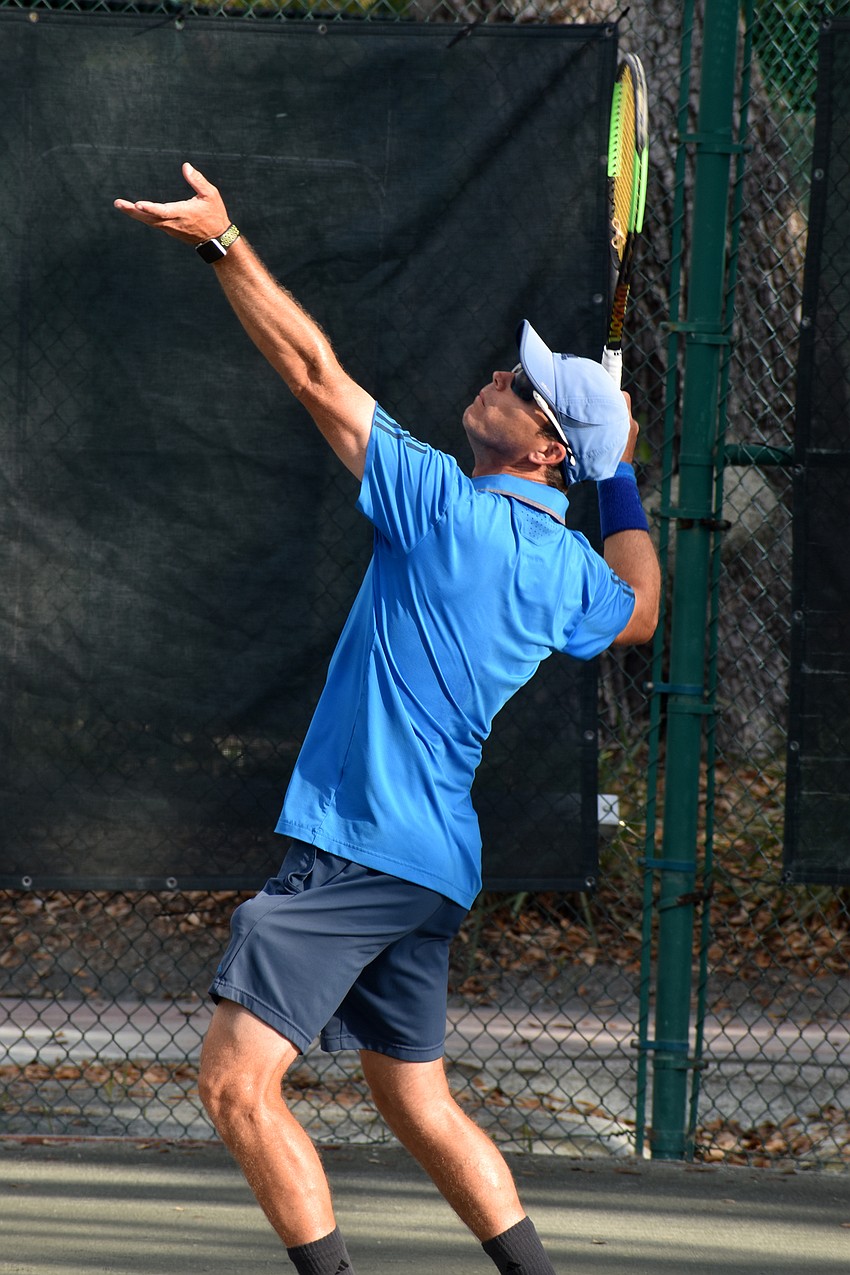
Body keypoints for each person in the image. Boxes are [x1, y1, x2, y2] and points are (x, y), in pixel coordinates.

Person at [114, 163, 660, 1275]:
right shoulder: (567, 571)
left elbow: (312, 371)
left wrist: (225, 245)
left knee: (232, 1083)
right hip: (432, 864)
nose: (501, 373)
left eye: (522, 383)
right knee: (414, 1102)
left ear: (541, 447)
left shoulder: (444, 513)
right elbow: (643, 609)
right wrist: (617, 484)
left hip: (359, 848)